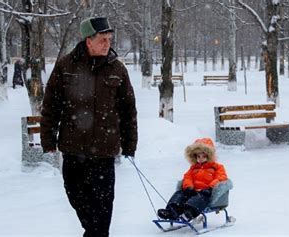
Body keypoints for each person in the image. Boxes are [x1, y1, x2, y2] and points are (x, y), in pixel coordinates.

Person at [40, 16, 137, 237]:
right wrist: (48, 139)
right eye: (103, 39)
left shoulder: (117, 69)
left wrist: (129, 144)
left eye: (109, 39)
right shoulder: (65, 66)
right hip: (73, 150)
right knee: (76, 197)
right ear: (88, 41)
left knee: (102, 209)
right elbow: (51, 106)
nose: (107, 44)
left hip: (104, 152)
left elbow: (128, 111)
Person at [157, 138, 228, 221]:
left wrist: (210, 187)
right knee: (180, 194)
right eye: (198, 156)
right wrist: (188, 187)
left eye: (203, 156)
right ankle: (171, 211)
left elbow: (221, 177)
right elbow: (187, 177)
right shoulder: (194, 168)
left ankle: (189, 213)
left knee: (200, 198)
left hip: (206, 192)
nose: (200, 158)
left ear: (209, 156)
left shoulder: (216, 167)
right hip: (193, 191)